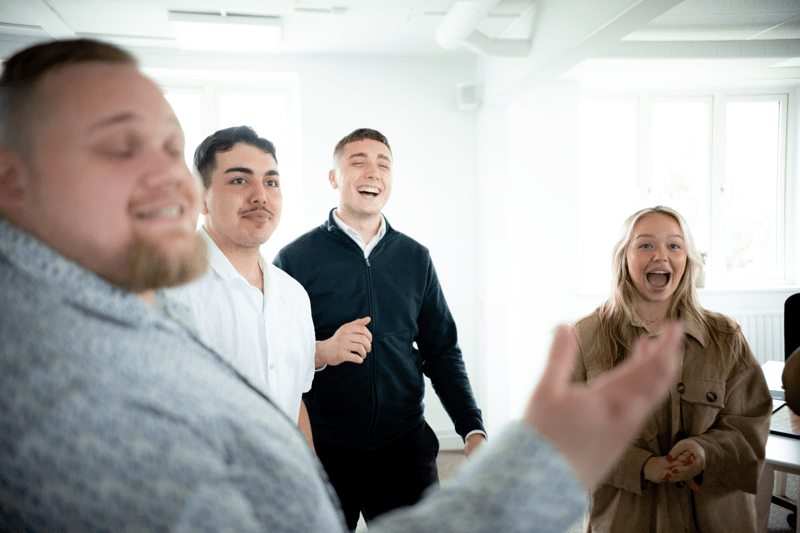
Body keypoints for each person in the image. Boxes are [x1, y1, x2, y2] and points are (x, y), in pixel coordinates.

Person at [0, 37, 685, 533]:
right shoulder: (65, 391)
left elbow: (435, 347)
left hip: (400, 447)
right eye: (121, 145)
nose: (172, 177)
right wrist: (543, 467)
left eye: (171, 149)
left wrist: (473, 426)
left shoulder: (368, 266)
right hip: (337, 450)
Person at [273, 128, 486, 528]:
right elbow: (273, 356)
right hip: (324, 449)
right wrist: (323, 351)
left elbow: (442, 352)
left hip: (403, 445)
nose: (373, 172)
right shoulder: (295, 260)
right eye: (358, 161)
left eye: (383, 163)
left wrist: (471, 427)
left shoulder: (415, 258)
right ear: (334, 178)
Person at [571, 206, 772, 533]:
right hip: (626, 517)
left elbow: (752, 425)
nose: (660, 255)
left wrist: (704, 452)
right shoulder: (585, 337)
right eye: (645, 245)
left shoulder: (725, 337)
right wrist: (642, 467)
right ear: (624, 257)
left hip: (714, 518)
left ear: (688, 260)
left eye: (674, 245)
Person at [161, 126, 317, 449]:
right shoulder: (168, 291)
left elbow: (295, 401)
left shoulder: (294, 296)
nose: (260, 195)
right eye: (239, 180)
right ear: (200, 197)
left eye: (271, 182)